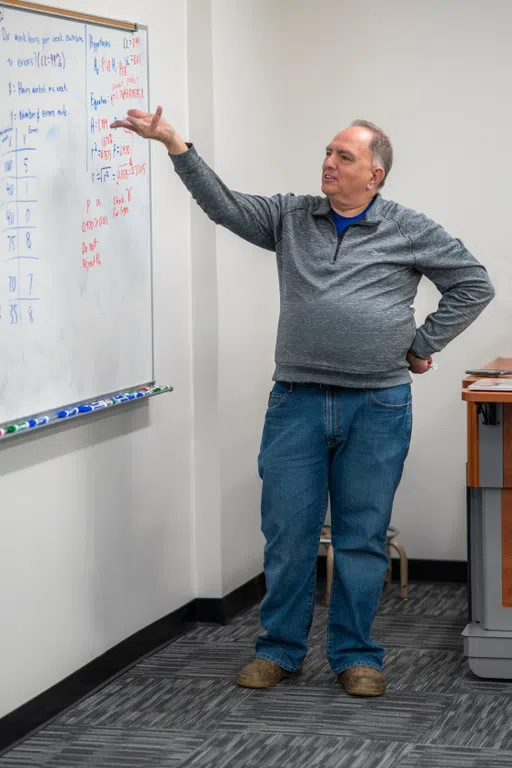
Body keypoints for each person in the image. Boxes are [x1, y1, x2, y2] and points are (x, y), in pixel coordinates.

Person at [112, 107, 495, 696]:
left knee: (361, 538)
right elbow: (224, 205)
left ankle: (356, 656)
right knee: (288, 535)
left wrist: (423, 344)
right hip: (297, 401)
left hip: (378, 405)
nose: (329, 163)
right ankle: (280, 650)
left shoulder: (410, 228)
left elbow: (474, 282)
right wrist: (173, 144)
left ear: (376, 174)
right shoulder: (292, 216)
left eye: (344, 156)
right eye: (327, 152)